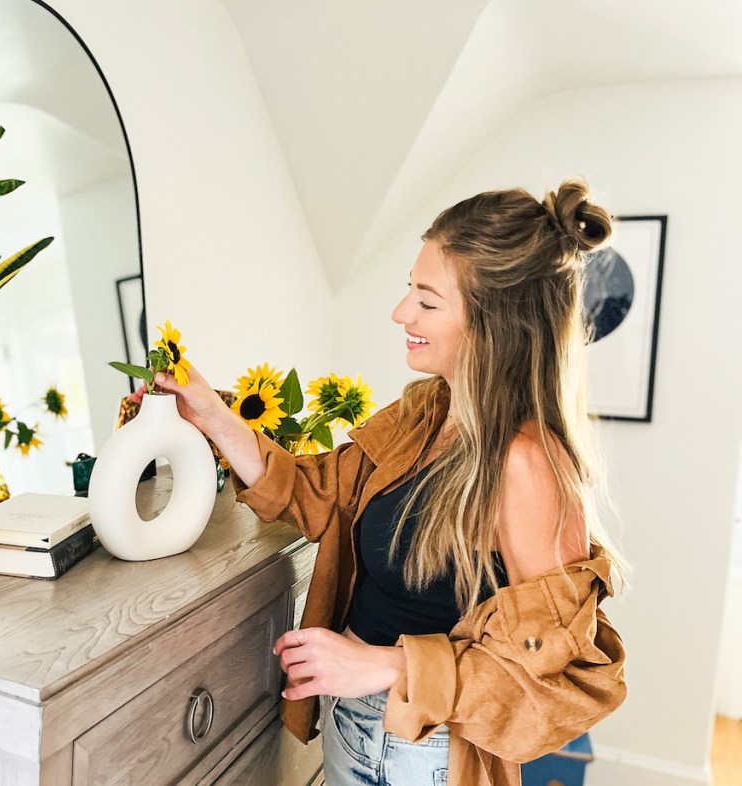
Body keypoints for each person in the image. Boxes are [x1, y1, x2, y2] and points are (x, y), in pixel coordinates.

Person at [130, 177, 629, 786]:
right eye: (408, 291)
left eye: (427, 299)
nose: (401, 313)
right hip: (350, 722)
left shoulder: (526, 464)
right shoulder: (426, 412)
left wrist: (387, 666)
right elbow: (316, 493)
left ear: (493, 321)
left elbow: (555, 678)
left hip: (429, 753)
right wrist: (212, 415)